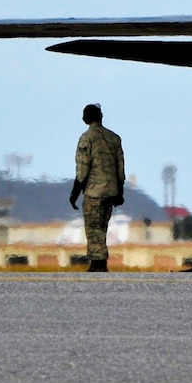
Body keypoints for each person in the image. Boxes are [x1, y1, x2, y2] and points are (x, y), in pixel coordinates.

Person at [70, 104, 125, 272]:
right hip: (111, 190)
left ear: (86, 118)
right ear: (101, 116)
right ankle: (99, 262)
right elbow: (120, 168)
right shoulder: (114, 138)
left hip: (94, 192)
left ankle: (98, 263)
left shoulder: (87, 138)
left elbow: (82, 169)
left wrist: (75, 193)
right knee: (102, 227)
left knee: (94, 228)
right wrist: (119, 192)